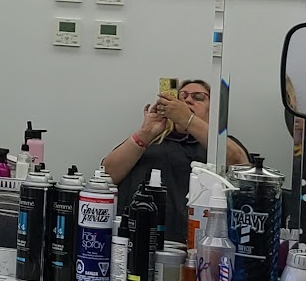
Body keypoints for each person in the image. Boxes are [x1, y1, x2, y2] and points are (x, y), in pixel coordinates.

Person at [102, 77, 246, 242]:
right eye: (181, 97)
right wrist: (145, 133)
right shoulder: (150, 141)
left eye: (198, 97)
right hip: (139, 240)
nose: (188, 100)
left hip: (200, 243)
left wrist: (188, 120)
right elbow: (107, 175)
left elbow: (240, 163)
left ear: (212, 110)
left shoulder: (220, 146)